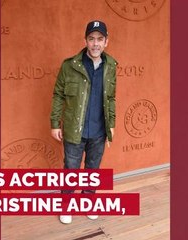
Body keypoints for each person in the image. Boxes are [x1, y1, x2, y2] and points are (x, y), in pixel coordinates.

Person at [50, 20, 117, 224]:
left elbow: (111, 97)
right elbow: (58, 95)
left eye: (100, 39)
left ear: (106, 41)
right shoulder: (70, 65)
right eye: (91, 39)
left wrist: (111, 123)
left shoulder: (111, 66)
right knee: (71, 169)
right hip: (74, 129)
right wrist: (54, 123)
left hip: (99, 130)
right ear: (85, 41)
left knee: (92, 169)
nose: (95, 44)